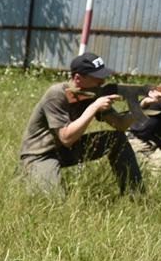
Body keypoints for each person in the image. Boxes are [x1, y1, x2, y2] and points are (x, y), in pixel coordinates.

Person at [16, 51, 143, 195]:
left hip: (68, 150)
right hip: (40, 154)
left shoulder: (93, 93)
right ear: (78, 78)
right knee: (54, 203)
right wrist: (94, 107)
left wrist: (142, 107)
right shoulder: (56, 94)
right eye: (97, 78)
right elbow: (66, 138)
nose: (102, 82)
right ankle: (25, 174)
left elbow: (120, 125)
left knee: (116, 139)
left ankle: (135, 196)